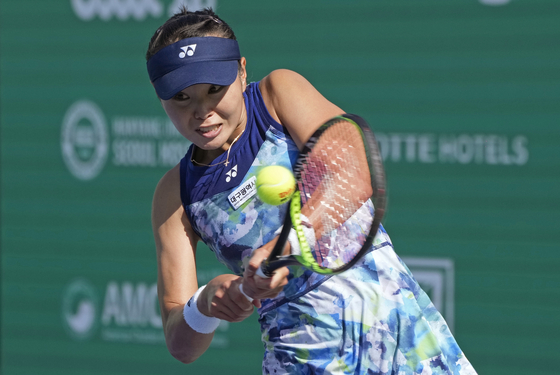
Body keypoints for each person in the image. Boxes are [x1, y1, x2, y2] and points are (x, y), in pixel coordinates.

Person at [147, 7, 477, 375]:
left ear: (241, 72)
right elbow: (181, 345)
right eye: (182, 98)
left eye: (213, 90)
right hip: (303, 361)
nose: (202, 111)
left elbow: (353, 173)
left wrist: (286, 245)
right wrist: (206, 302)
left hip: (403, 336)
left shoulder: (277, 94)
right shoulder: (174, 195)